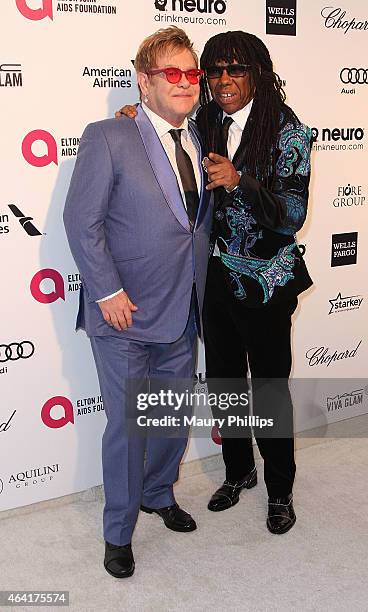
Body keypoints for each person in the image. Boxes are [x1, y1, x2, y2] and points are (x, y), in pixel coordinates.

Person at [119, 30, 313, 535]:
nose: (224, 81)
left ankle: (280, 491)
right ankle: (238, 472)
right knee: (227, 384)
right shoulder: (205, 118)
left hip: (267, 284)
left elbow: (292, 215)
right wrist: (132, 119)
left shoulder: (289, 132)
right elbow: (162, 132)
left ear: (259, 73)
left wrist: (240, 181)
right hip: (212, 282)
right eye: (216, 70)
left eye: (237, 70)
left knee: (269, 391)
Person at [64, 27, 212, 579]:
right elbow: (82, 222)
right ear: (143, 81)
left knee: (172, 416)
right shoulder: (108, 136)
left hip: (184, 307)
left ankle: (158, 493)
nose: (184, 82)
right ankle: (118, 531)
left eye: (191, 73)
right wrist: (106, 290)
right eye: (170, 73)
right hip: (122, 312)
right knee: (128, 427)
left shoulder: (199, 139)